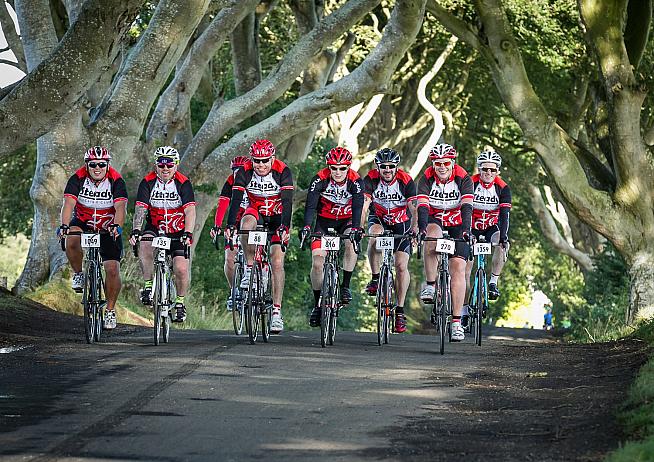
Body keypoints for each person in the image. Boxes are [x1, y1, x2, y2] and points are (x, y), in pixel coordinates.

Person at [224, 139, 294, 334]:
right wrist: (230, 225)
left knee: (277, 262)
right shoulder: (244, 171)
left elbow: (288, 202)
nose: (261, 165)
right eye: (257, 160)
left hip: (277, 215)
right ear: (251, 160)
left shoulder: (283, 171)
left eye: (265, 160)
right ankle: (249, 268)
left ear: (272, 158)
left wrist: (284, 227)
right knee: (245, 224)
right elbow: (236, 199)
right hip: (256, 211)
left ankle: (277, 313)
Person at [58, 146, 127, 330]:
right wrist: (64, 226)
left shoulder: (116, 180)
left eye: (101, 164)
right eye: (93, 164)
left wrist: (117, 227)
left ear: (107, 165)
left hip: (107, 225)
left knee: (112, 269)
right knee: (71, 239)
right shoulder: (77, 178)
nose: (97, 168)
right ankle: (79, 274)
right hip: (83, 220)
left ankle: (110, 311)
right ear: (87, 165)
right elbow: (68, 204)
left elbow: (120, 208)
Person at [129, 146, 196, 323]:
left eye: (169, 164)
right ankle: (149, 286)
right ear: (156, 165)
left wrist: (188, 233)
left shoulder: (183, 183)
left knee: (181, 268)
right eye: (161, 164)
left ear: (176, 165)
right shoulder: (148, 182)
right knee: (144, 242)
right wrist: (136, 229)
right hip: (155, 226)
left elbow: (190, 210)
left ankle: (180, 303)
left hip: (178, 230)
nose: (165, 168)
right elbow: (141, 209)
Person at [300, 147, 364, 328]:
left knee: (351, 243)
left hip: (347, 220)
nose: (337, 172)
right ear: (329, 167)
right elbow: (311, 207)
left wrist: (357, 228)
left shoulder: (355, 181)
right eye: (333, 168)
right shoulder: (319, 179)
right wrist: (306, 226)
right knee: (318, 263)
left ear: (348, 168)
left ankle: (344, 286)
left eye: (342, 168)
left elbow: (358, 206)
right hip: (324, 221)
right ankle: (318, 305)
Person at [416, 143, 473, 342]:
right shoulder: (426, 178)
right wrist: (422, 229)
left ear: (452, 163)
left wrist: (466, 230)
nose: (441, 167)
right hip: (435, 218)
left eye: (446, 163)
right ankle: (431, 285)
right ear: (433, 164)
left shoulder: (463, 178)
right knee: (431, 234)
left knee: (458, 267)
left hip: (458, 222)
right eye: (437, 163)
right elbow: (422, 206)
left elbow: (467, 207)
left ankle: (456, 322)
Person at [362, 148, 417, 333]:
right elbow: (364, 205)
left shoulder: (406, 180)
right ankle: (376, 278)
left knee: (401, 266)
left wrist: (416, 229)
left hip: (401, 223)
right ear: (378, 166)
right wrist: (358, 227)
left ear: (396, 167)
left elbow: (414, 207)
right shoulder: (370, 178)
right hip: (379, 219)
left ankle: (400, 311)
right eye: (383, 166)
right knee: (374, 236)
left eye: (391, 166)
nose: (387, 170)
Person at [464, 148, 512, 302]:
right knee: (465, 269)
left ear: (497, 171)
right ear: (479, 169)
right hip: (471, 226)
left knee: (503, 243)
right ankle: (463, 310)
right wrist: (465, 232)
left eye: (493, 169)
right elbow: (463, 209)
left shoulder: (503, 188)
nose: (489, 173)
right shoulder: (470, 183)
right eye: (485, 169)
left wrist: (504, 237)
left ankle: (493, 283)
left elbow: (505, 215)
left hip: (491, 226)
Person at [209, 156, 250, 312]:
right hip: (235, 220)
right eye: (234, 171)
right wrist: (217, 226)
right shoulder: (230, 182)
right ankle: (234, 291)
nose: (237, 173)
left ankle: (257, 275)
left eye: (240, 171)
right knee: (230, 257)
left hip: (253, 218)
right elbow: (222, 205)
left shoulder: (254, 181)